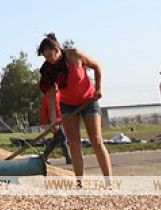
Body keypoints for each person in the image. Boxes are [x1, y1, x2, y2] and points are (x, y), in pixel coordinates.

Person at [37, 33, 111, 180]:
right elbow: (51, 96)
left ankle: (109, 182)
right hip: (68, 105)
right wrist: (53, 120)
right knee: (74, 143)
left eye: (50, 57)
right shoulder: (48, 70)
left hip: (89, 100)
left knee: (96, 140)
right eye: (45, 58)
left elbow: (97, 67)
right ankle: (79, 183)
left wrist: (98, 88)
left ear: (57, 50)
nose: (49, 61)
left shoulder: (74, 55)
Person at [40, 85, 72, 164]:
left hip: (59, 120)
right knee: (63, 137)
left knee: (56, 140)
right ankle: (68, 158)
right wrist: (43, 122)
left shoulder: (59, 94)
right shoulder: (47, 96)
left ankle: (44, 156)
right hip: (53, 121)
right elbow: (44, 110)